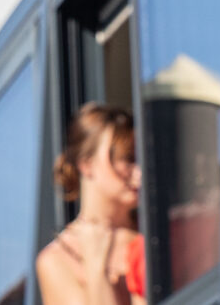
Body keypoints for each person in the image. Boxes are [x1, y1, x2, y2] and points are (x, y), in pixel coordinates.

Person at [34, 105, 143, 305]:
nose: (139, 172)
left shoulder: (152, 233)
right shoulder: (58, 259)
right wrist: (96, 269)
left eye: (140, 158)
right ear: (87, 164)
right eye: (128, 159)